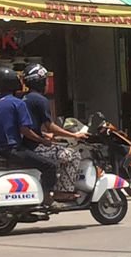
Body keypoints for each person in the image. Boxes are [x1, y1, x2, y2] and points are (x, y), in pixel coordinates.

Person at [0, 66, 59, 198]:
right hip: (12, 150)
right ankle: (47, 197)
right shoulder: (18, 103)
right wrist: (43, 141)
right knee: (50, 166)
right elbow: (25, 130)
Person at [21, 63, 86, 196]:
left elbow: (28, 126)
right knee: (73, 155)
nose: (46, 84)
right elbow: (51, 126)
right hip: (35, 147)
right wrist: (75, 135)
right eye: (45, 80)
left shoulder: (24, 98)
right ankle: (63, 192)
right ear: (40, 82)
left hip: (27, 144)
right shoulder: (40, 100)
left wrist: (44, 135)